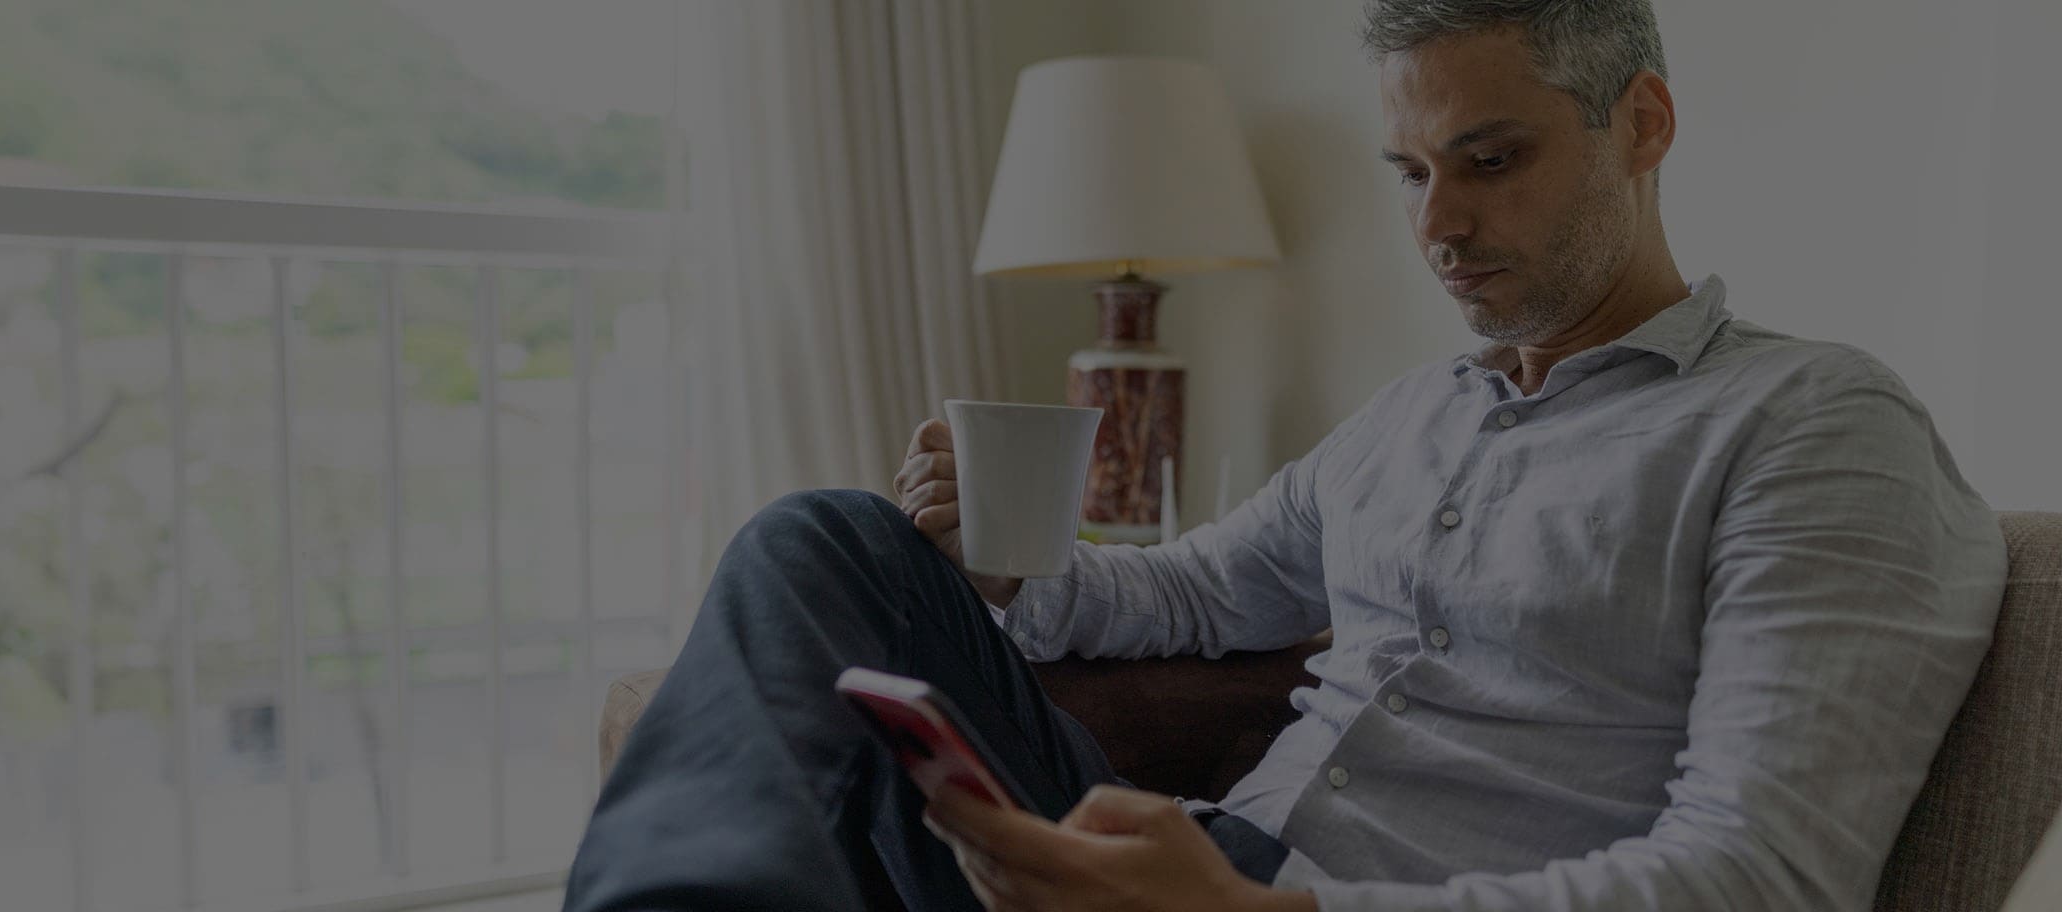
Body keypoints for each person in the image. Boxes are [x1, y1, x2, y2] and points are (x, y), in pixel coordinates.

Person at [558, 1, 2009, 909]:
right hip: (1170, 860)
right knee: (823, 539)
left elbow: (1761, 876)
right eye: (1410, 172)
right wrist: (999, 576)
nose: (1437, 225)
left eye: (1491, 160)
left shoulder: (1811, 426)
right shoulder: (1413, 416)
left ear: (1645, 123)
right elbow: (1194, 592)